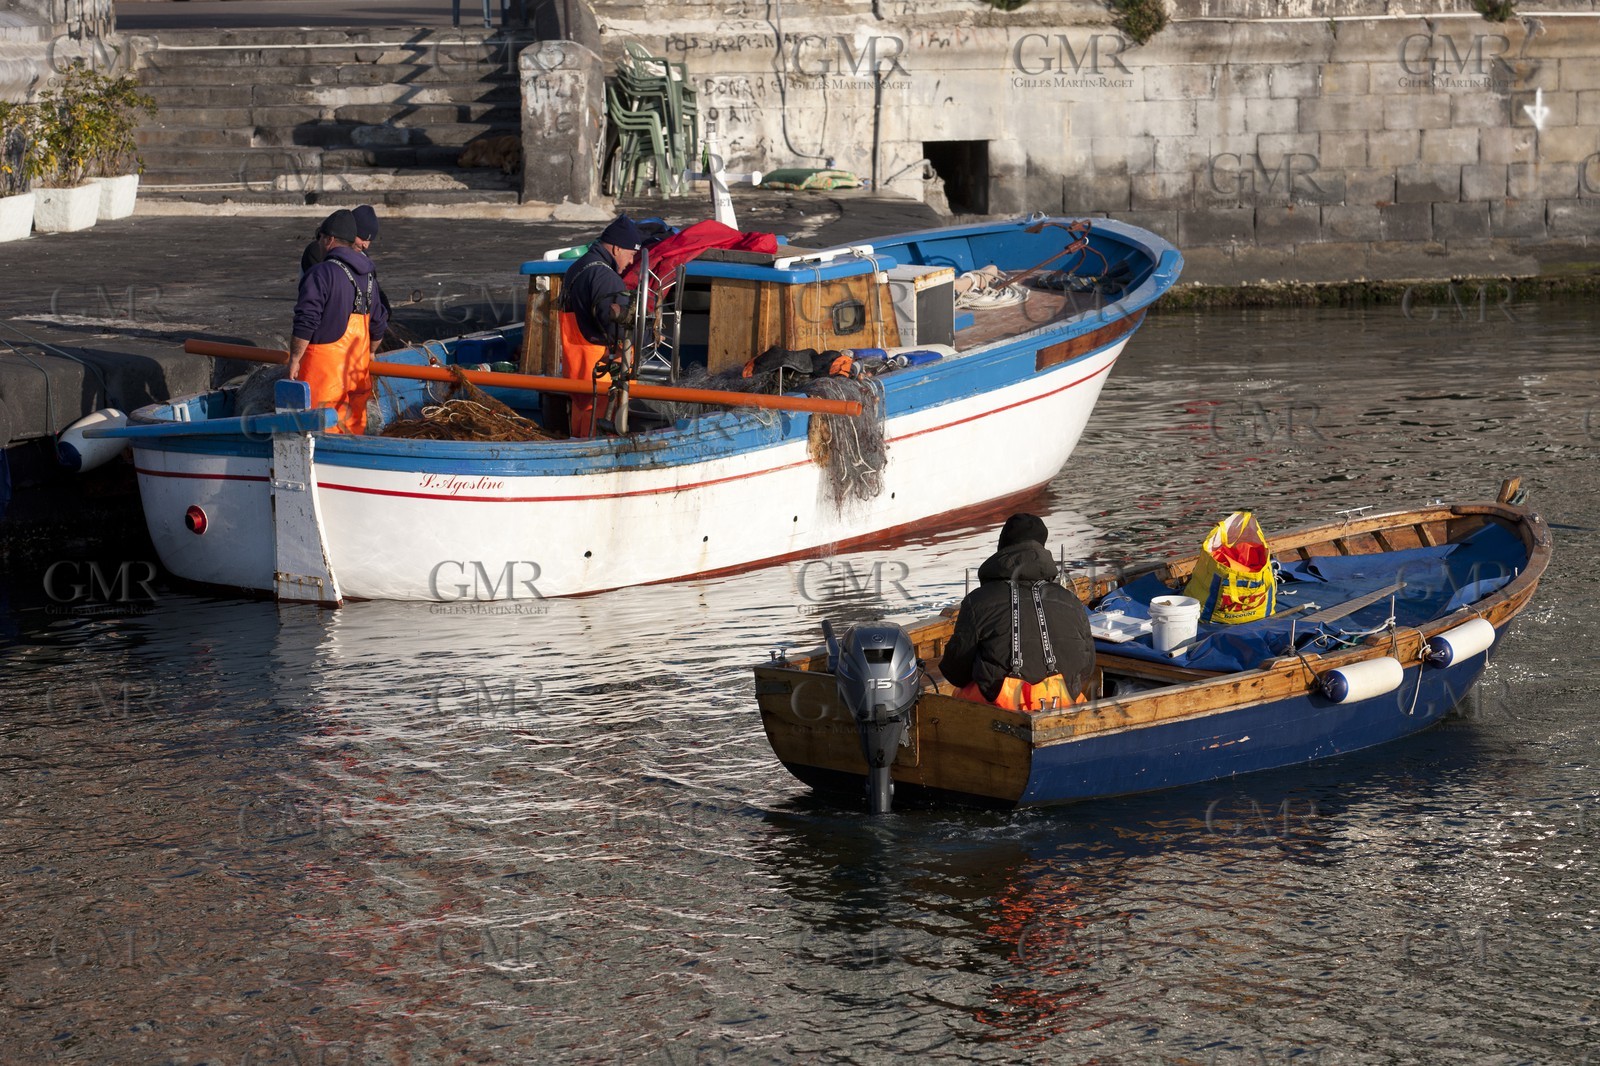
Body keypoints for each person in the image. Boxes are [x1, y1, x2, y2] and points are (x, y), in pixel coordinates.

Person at [938, 513, 1095, 712]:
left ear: (1002, 547)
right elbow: (1087, 667)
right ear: (1042, 548)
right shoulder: (1070, 601)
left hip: (1003, 710)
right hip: (1061, 707)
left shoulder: (978, 601)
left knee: (960, 695)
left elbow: (956, 673)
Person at [289, 208, 389, 435]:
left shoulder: (321, 273)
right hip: (357, 373)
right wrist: (371, 353)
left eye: (321, 238)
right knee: (354, 433)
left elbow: (306, 320)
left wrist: (295, 358)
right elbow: (379, 323)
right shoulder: (368, 276)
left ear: (329, 239)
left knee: (320, 434)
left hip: (324, 378)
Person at [559, 215, 643, 436]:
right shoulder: (606, 278)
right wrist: (644, 337)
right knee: (599, 428)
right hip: (600, 371)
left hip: (576, 367)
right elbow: (617, 327)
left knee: (581, 418)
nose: (632, 262)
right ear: (616, 248)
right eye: (631, 254)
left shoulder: (578, 267)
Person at [300, 203, 380, 274]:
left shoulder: (363, 256)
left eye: (370, 240)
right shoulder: (318, 250)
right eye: (363, 238)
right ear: (350, 230)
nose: (366, 245)